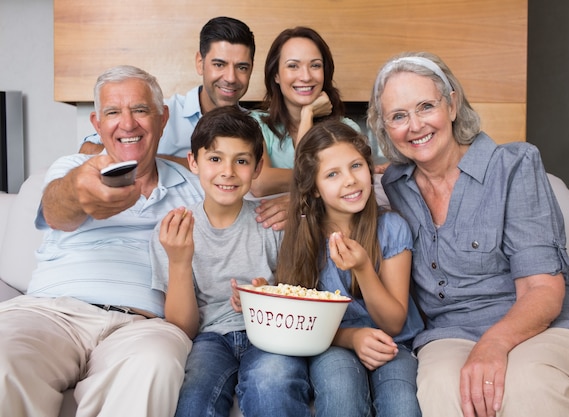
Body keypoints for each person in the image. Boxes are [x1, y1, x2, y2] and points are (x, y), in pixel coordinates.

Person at [367, 51, 569, 417]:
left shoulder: (515, 165)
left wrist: (492, 346)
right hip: (452, 332)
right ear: (384, 129)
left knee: (528, 383)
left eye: (426, 106)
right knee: (438, 389)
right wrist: (295, 201)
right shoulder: (394, 184)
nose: (414, 125)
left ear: (452, 104)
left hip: (549, 324)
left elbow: (542, 290)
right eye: (398, 116)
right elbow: (339, 193)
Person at [0, 65, 204, 416]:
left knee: (155, 363)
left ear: (162, 117)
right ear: (96, 123)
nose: (127, 124)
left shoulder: (195, 187)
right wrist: (79, 193)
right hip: (51, 313)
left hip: (143, 325)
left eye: (140, 110)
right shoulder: (73, 168)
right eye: (113, 112)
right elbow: (55, 209)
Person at [150, 105, 311, 417]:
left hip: (271, 334)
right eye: (215, 159)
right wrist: (179, 261)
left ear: (258, 166)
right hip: (210, 338)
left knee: (273, 381)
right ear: (193, 162)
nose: (228, 172)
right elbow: (182, 327)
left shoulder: (271, 221)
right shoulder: (173, 231)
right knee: (195, 394)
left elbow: (299, 296)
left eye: (241, 161)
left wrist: (263, 297)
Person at [275, 119, 424, 416]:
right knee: (341, 394)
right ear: (314, 189)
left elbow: (394, 323)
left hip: (393, 342)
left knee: (401, 404)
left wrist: (363, 269)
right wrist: (352, 337)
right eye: (332, 174)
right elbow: (301, 321)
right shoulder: (301, 237)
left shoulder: (391, 228)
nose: (350, 180)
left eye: (356, 166)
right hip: (332, 343)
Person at [79, 16, 255, 170]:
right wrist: (156, 163)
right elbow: (88, 149)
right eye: (219, 64)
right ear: (200, 63)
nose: (231, 78)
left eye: (242, 67)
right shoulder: (157, 113)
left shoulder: (258, 126)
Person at [248, 26, 361, 199]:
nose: (306, 76)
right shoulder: (254, 124)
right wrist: (320, 179)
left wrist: (307, 115)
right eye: (293, 66)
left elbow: (353, 190)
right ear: (276, 75)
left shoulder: (346, 128)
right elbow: (259, 183)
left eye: (315, 65)